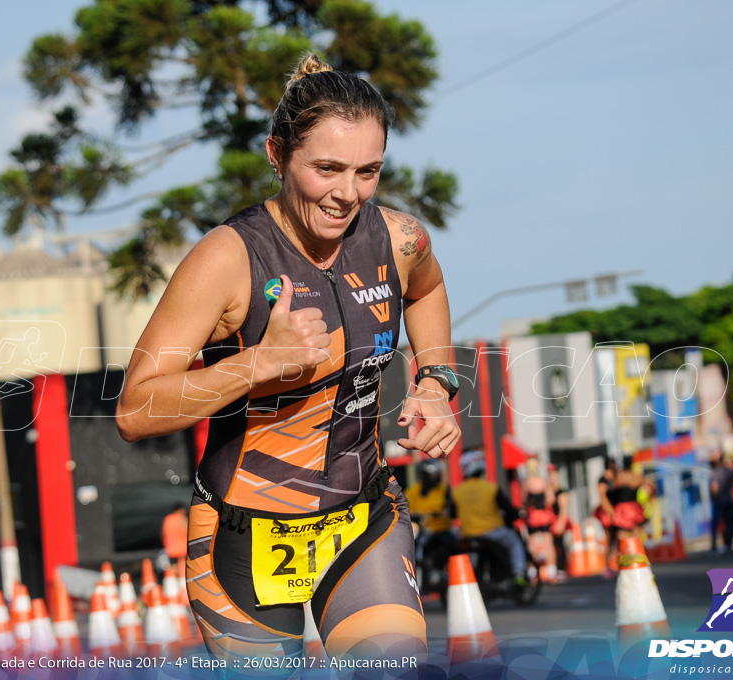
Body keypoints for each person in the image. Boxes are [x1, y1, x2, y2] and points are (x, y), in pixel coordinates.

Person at [116, 53, 460, 664]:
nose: (347, 194)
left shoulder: (399, 239)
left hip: (361, 517)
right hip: (243, 536)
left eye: (368, 172)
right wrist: (255, 363)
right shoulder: (227, 259)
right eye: (326, 169)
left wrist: (435, 382)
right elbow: (136, 410)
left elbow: (426, 288)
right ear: (277, 155)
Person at [451, 449, 528, 583]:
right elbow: (508, 509)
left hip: (468, 535)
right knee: (515, 543)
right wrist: (517, 514)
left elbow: (453, 514)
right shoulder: (491, 488)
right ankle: (518, 574)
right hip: (493, 532)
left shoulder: (457, 492)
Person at [406, 458, 456, 591]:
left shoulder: (444, 489)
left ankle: (453, 575)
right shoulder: (412, 492)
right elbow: (404, 510)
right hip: (423, 532)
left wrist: (445, 512)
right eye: (431, 475)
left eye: (436, 475)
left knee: (455, 548)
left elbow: (452, 508)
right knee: (412, 550)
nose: (434, 478)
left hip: (442, 530)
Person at [522, 455, 557, 582]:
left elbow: (524, 501)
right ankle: (551, 573)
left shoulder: (526, 482)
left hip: (532, 516)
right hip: (544, 515)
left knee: (531, 543)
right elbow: (551, 499)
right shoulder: (544, 481)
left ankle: (533, 574)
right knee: (548, 542)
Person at [710, 453, 733, 555]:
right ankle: (729, 545)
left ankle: (714, 546)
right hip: (729, 501)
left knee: (716, 524)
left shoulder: (716, 472)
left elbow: (714, 488)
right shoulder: (729, 471)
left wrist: (714, 499)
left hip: (720, 501)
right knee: (729, 523)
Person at [547, 463, 570, 576]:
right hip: (548, 519)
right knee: (551, 544)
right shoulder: (548, 490)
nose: (552, 478)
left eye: (554, 475)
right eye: (550, 475)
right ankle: (554, 567)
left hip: (557, 519)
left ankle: (561, 568)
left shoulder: (561, 491)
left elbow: (563, 509)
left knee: (559, 544)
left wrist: (561, 522)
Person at [161, 502, 189, 572]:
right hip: (183, 550)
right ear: (181, 510)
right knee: (184, 571)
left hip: (170, 550)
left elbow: (163, 535)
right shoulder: (182, 519)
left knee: (174, 570)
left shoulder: (167, 519)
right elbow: (189, 532)